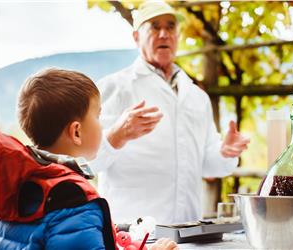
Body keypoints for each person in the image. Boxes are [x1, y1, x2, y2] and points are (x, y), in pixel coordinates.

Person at [91, 1, 250, 224]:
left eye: (171, 27)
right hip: (132, 234)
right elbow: (87, 162)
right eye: (154, 26)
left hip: (188, 231)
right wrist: (117, 135)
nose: (164, 34)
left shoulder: (197, 96)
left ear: (178, 36)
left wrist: (225, 152)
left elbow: (207, 165)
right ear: (136, 37)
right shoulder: (113, 88)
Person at [0, 68, 177, 250]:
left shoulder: (18, 184)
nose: (101, 124)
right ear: (76, 132)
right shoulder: (71, 200)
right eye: (97, 116)